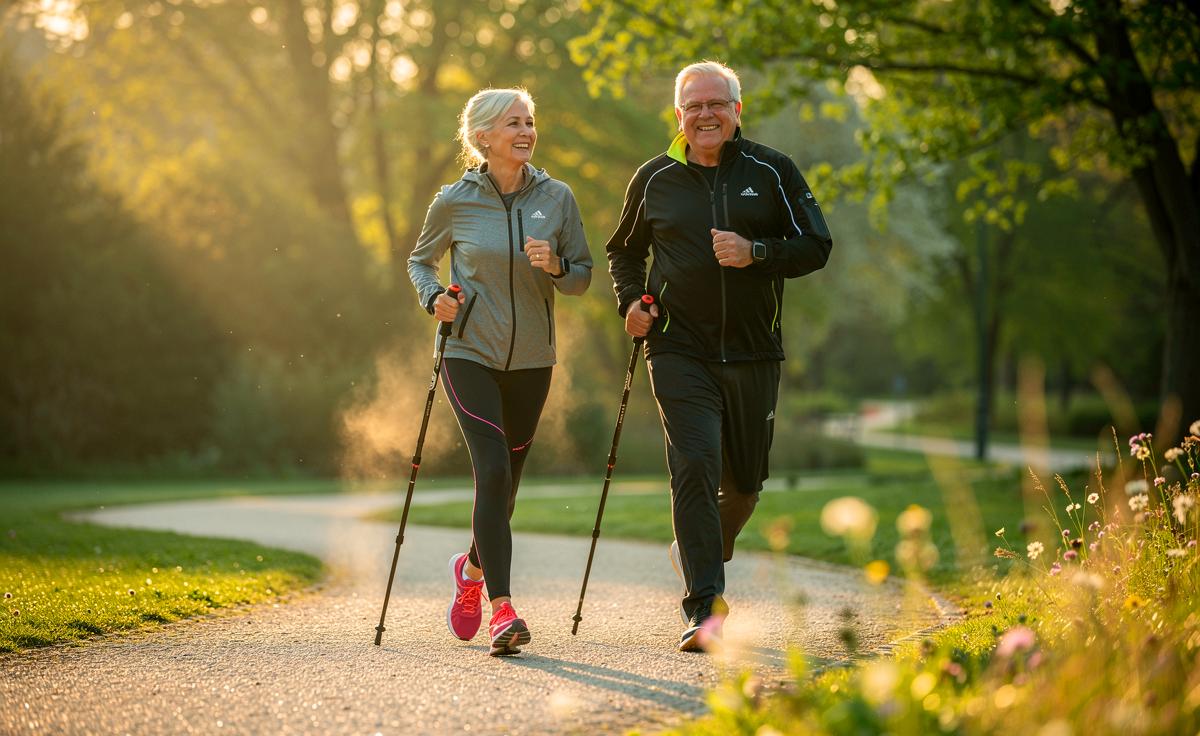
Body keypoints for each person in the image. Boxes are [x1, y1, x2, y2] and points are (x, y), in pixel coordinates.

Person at [606, 61, 833, 652]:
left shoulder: (772, 169)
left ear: (737, 109)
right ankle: (705, 609)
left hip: (755, 352)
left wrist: (755, 251)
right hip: (679, 349)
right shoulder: (654, 178)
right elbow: (624, 252)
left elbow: (817, 244)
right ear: (677, 115)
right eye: (693, 105)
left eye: (716, 104)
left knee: (745, 487)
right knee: (696, 468)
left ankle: (698, 551)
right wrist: (632, 302)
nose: (705, 115)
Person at [408, 87, 592, 656]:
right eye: (514, 122)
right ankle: (503, 611)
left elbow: (584, 275)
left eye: (531, 121)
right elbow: (420, 261)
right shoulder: (454, 200)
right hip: (469, 353)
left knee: (506, 486)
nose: (526, 131)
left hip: (533, 361)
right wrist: (434, 296)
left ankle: (469, 569)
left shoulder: (557, 197)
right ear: (483, 135)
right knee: (490, 469)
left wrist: (557, 265)